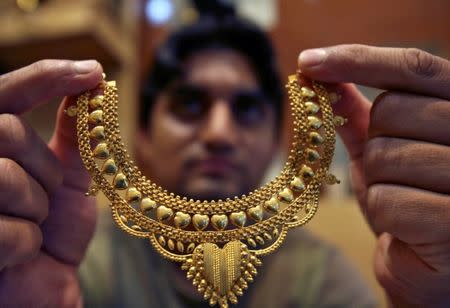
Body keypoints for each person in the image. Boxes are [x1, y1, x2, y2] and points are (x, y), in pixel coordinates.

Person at [0, 14, 449, 308]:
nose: (218, 133)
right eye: (190, 106)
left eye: (247, 108)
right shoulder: (74, 261)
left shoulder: (320, 278)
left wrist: (426, 297)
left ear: (279, 140)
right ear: (141, 134)